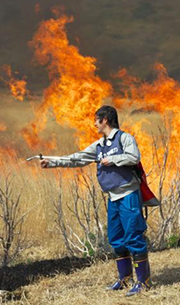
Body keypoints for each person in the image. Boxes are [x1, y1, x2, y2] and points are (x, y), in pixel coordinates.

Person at [41, 105, 151, 296]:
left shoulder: (125, 138)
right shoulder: (99, 146)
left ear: (105, 120)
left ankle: (144, 282)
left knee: (133, 235)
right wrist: (52, 163)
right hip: (113, 197)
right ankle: (125, 279)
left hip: (129, 195)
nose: (94, 124)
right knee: (116, 238)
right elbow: (78, 158)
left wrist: (113, 159)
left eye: (96, 120)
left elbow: (134, 157)